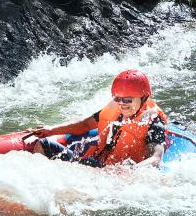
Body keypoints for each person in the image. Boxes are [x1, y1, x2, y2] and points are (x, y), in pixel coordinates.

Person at [27, 69, 168, 168]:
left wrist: (133, 169)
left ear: (144, 98)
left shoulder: (153, 121)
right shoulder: (114, 109)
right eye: (118, 99)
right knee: (43, 144)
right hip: (98, 164)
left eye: (127, 100)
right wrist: (51, 130)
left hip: (119, 173)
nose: (121, 104)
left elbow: (156, 158)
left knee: (87, 163)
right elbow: (84, 125)